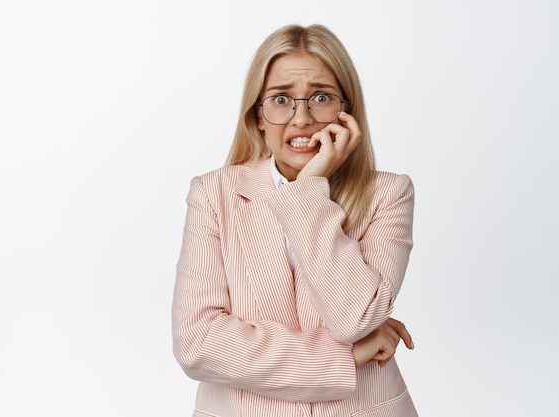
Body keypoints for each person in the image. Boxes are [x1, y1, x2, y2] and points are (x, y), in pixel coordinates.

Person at [172, 23, 418, 416]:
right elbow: (198, 344)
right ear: (257, 118)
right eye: (281, 99)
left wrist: (308, 190)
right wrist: (344, 358)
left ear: (346, 112)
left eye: (320, 97)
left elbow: (355, 318)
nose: (301, 118)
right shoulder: (213, 195)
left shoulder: (388, 194)